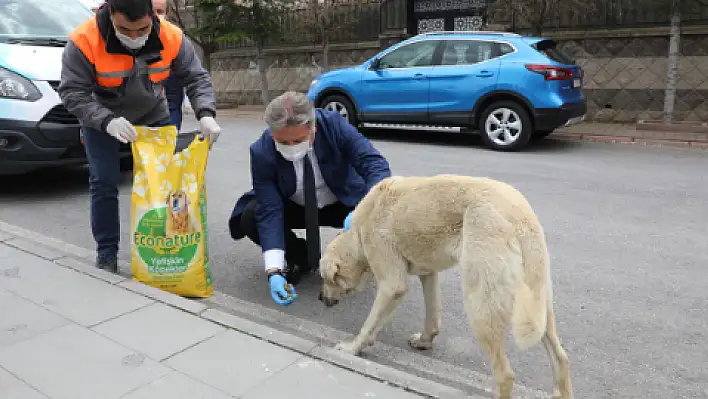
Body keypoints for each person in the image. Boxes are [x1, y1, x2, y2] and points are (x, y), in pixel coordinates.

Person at [58, 0, 221, 273]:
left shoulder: (172, 37)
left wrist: (206, 113)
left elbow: (195, 77)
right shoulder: (83, 40)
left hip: (153, 114)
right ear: (110, 13)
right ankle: (107, 253)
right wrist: (106, 121)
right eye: (125, 29)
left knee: (168, 183)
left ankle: (172, 246)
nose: (134, 37)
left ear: (151, 17)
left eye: (142, 29)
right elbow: (73, 92)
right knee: (104, 181)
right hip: (103, 119)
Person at [228, 92, 392, 306]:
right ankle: (301, 257)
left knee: (384, 206)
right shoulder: (261, 151)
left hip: (342, 202)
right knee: (251, 215)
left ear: (313, 127)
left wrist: (365, 209)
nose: (291, 146)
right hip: (297, 205)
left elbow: (373, 163)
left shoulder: (333, 125)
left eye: (298, 140)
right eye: (283, 141)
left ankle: (368, 259)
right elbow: (270, 208)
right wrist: (273, 270)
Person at [151, 0, 185, 131]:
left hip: (170, 93)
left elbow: (195, 74)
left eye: (160, 12)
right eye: (152, 11)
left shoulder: (175, 36)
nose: (156, 16)